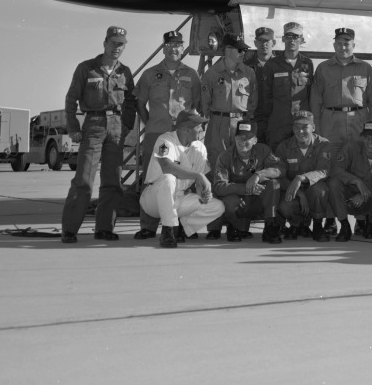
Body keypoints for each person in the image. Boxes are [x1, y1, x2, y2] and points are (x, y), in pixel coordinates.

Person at [60, 25, 137, 244]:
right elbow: (71, 99)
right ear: (104, 43)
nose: (116, 48)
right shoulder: (86, 68)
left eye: (120, 44)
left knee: (113, 180)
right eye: (113, 43)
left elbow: (130, 101)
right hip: (93, 124)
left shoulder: (125, 72)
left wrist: (127, 127)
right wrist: (73, 128)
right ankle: (70, 229)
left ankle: (104, 228)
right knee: (84, 179)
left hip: (117, 127)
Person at [135, 110, 224, 248]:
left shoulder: (200, 147)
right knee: (168, 179)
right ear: (186, 129)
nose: (201, 130)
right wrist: (197, 175)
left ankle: (181, 226)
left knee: (217, 207)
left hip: (180, 197)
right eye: (198, 126)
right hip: (154, 197)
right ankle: (168, 231)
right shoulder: (164, 140)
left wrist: (202, 192)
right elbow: (166, 167)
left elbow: (199, 180)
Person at [134, 29, 202, 176]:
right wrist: (151, 123)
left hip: (183, 133)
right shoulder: (149, 74)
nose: (173, 49)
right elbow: (139, 104)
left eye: (177, 45)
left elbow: (198, 104)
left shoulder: (192, 74)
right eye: (170, 45)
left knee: (183, 172)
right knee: (151, 173)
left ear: (183, 49)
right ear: (163, 48)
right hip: (155, 132)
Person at [209, 120, 284, 243]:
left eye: (247, 138)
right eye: (239, 137)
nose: (242, 141)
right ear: (234, 138)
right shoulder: (225, 156)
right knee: (229, 200)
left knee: (273, 184)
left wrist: (258, 175)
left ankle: (270, 226)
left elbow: (280, 168)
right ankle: (233, 226)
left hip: (258, 202)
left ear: (255, 140)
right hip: (240, 202)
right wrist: (247, 188)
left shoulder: (264, 151)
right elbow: (219, 186)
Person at [311, 27, 372, 156]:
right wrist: (317, 129)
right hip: (331, 123)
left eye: (346, 44)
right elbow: (315, 102)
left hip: (359, 122)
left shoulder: (365, 68)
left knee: (359, 158)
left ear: (353, 45)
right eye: (339, 44)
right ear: (334, 45)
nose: (342, 48)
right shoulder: (322, 68)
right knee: (329, 158)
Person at [328, 121, 372, 241]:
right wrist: (356, 181)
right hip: (350, 200)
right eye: (366, 137)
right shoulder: (351, 148)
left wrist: (365, 194)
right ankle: (344, 225)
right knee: (333, 183)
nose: (369, 141)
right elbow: (335, 169)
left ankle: (371, 224)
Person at [273, 110, 334, 241]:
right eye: (296, 127)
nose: (300, 132)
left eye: (305, 127)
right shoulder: (284, 147)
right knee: (285, 205)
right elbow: (279, 175)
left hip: (314, 191)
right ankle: (298, 225)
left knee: (320, 190)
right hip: (294, 191)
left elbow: (324, 171)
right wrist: (299, 193)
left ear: (313, 127)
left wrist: (300, 178)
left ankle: (318, 225)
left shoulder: (324, 145)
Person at [201, 33, 257, 170]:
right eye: (239, 50)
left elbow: (253, 100)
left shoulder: (249, 73)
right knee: (217, 160)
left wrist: (247, 119)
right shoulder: (211, 74)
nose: (242, 53)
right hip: (218, 123)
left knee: (241, 161)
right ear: (227, 50)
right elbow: (205, 103)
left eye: (244, 50)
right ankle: (217, 190)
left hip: (241, 123)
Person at [258, 21, 315, 149]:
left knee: (301, 160)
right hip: (278, 124)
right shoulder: (272, 65)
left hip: (301, 124)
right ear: (283, 39)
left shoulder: (307, 63)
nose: (292, 40)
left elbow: (311, 94)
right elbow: (265, 98)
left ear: (302, 40)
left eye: (295, 37)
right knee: (276, 160)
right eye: (288, 37)